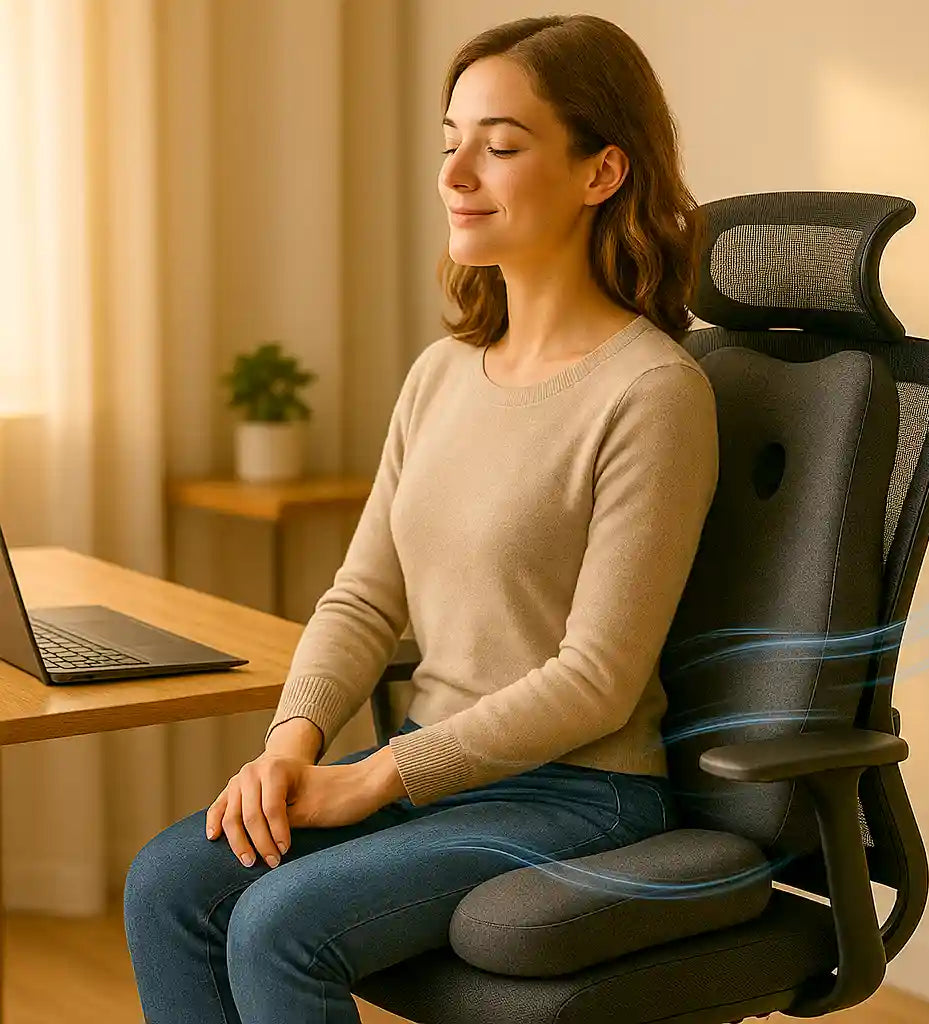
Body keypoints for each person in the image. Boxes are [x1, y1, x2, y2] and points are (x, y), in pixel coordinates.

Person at [123, 13, 719, 1023]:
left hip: (581, 792)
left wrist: (374, 781)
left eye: (500, 144)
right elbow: (362, 595)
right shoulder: (440, 374)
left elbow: (595, 679)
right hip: (436, 765)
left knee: (280, 923)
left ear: (600, 172)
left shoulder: (652, 392)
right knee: (167, 885)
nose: (456, 174)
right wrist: (290, 747)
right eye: (451, 142)